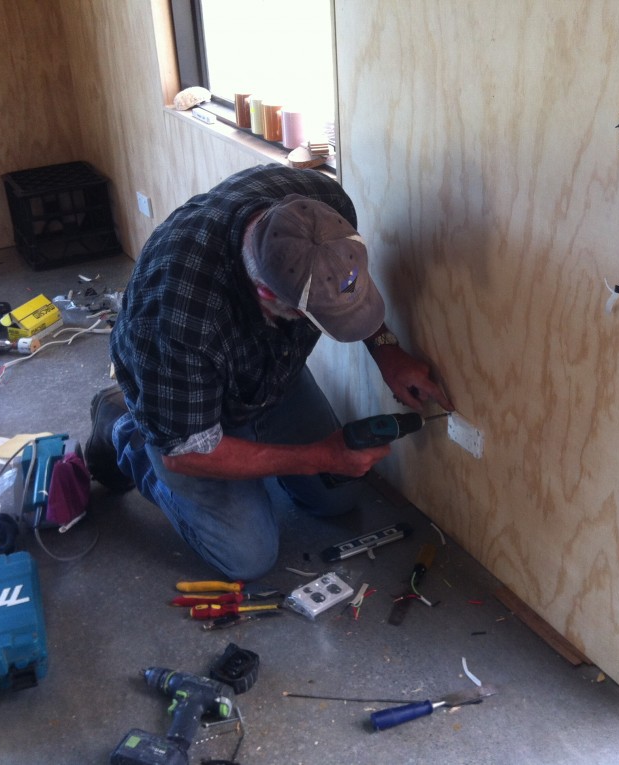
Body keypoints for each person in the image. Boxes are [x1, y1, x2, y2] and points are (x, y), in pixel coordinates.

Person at [85, 164, 452, 581]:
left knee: (339, 497)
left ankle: (252, 455)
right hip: (185, 410)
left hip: (271, 371)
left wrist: (387, 350)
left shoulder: (323, 207)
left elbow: (344, 286)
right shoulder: (177, 319)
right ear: (266, 293)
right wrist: (321, 455)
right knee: (248, 557)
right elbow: (191, 453)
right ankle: (125, 430)